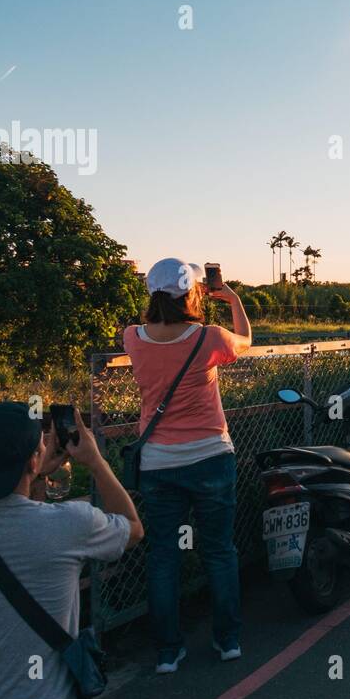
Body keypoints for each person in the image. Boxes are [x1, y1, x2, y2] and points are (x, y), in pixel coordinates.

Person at [0, 403, 143, 699]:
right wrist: (95, 461)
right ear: (33, 461)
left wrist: (30, 468)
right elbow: (133, 529)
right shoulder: (71, 526)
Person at [125, 258, 252, 673]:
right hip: (211, 457)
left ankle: (167, 652)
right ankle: (228, 640)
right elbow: (246, 340)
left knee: (164, 556)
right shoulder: (209, 338)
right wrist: (231, 297)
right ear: (191, 292)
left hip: (159, 463)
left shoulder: (133, 338)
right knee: (219, 551)